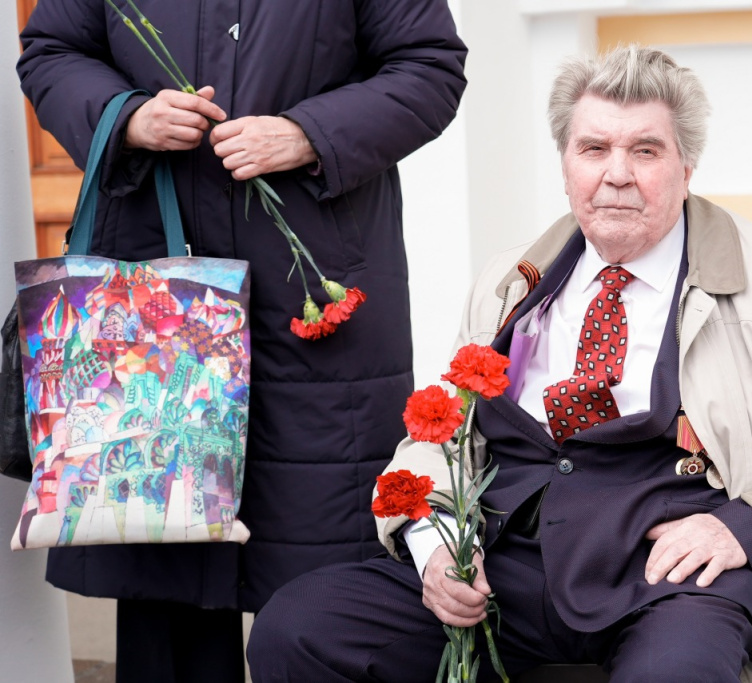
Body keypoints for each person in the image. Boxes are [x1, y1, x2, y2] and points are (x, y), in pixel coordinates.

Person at [246, 46, 752, 682]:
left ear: (686, 168)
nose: (616, 173)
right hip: (503, 561)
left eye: (645, 150)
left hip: (673, 573)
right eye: (593, 149)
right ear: (566, 166)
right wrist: (436, 543)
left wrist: (746, 529)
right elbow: (441, 435)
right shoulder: (507, 281)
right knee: (296, 631)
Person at [17, 1, 466, 682]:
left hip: (314, 293)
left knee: (328, 583)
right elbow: (52, 48)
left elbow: (430, 66)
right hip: (156, 289)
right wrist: (128, 118)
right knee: (168, 569)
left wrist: (307, 133)